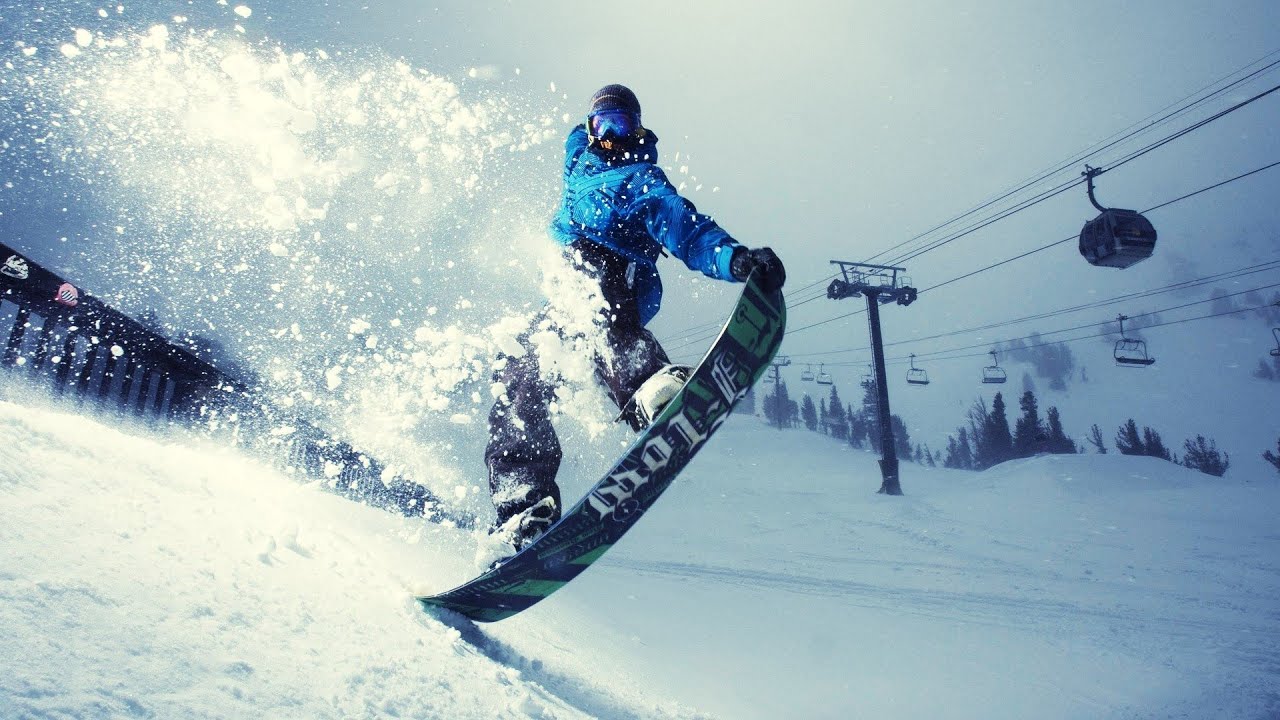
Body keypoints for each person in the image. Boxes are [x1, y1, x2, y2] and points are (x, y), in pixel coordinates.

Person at [485, 84, 785, 551]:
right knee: (517, 370)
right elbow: (575, 141)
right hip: (565, 299)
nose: (612, 137)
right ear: (589, 130)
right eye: (603, 126)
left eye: (621, 126)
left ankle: (650, 386)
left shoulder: (644, 179)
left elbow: (689, 231)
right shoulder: (577, 161)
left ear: (637, 129)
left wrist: (737, 259)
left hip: (615, 281)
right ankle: (522, 504)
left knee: (602, 309)